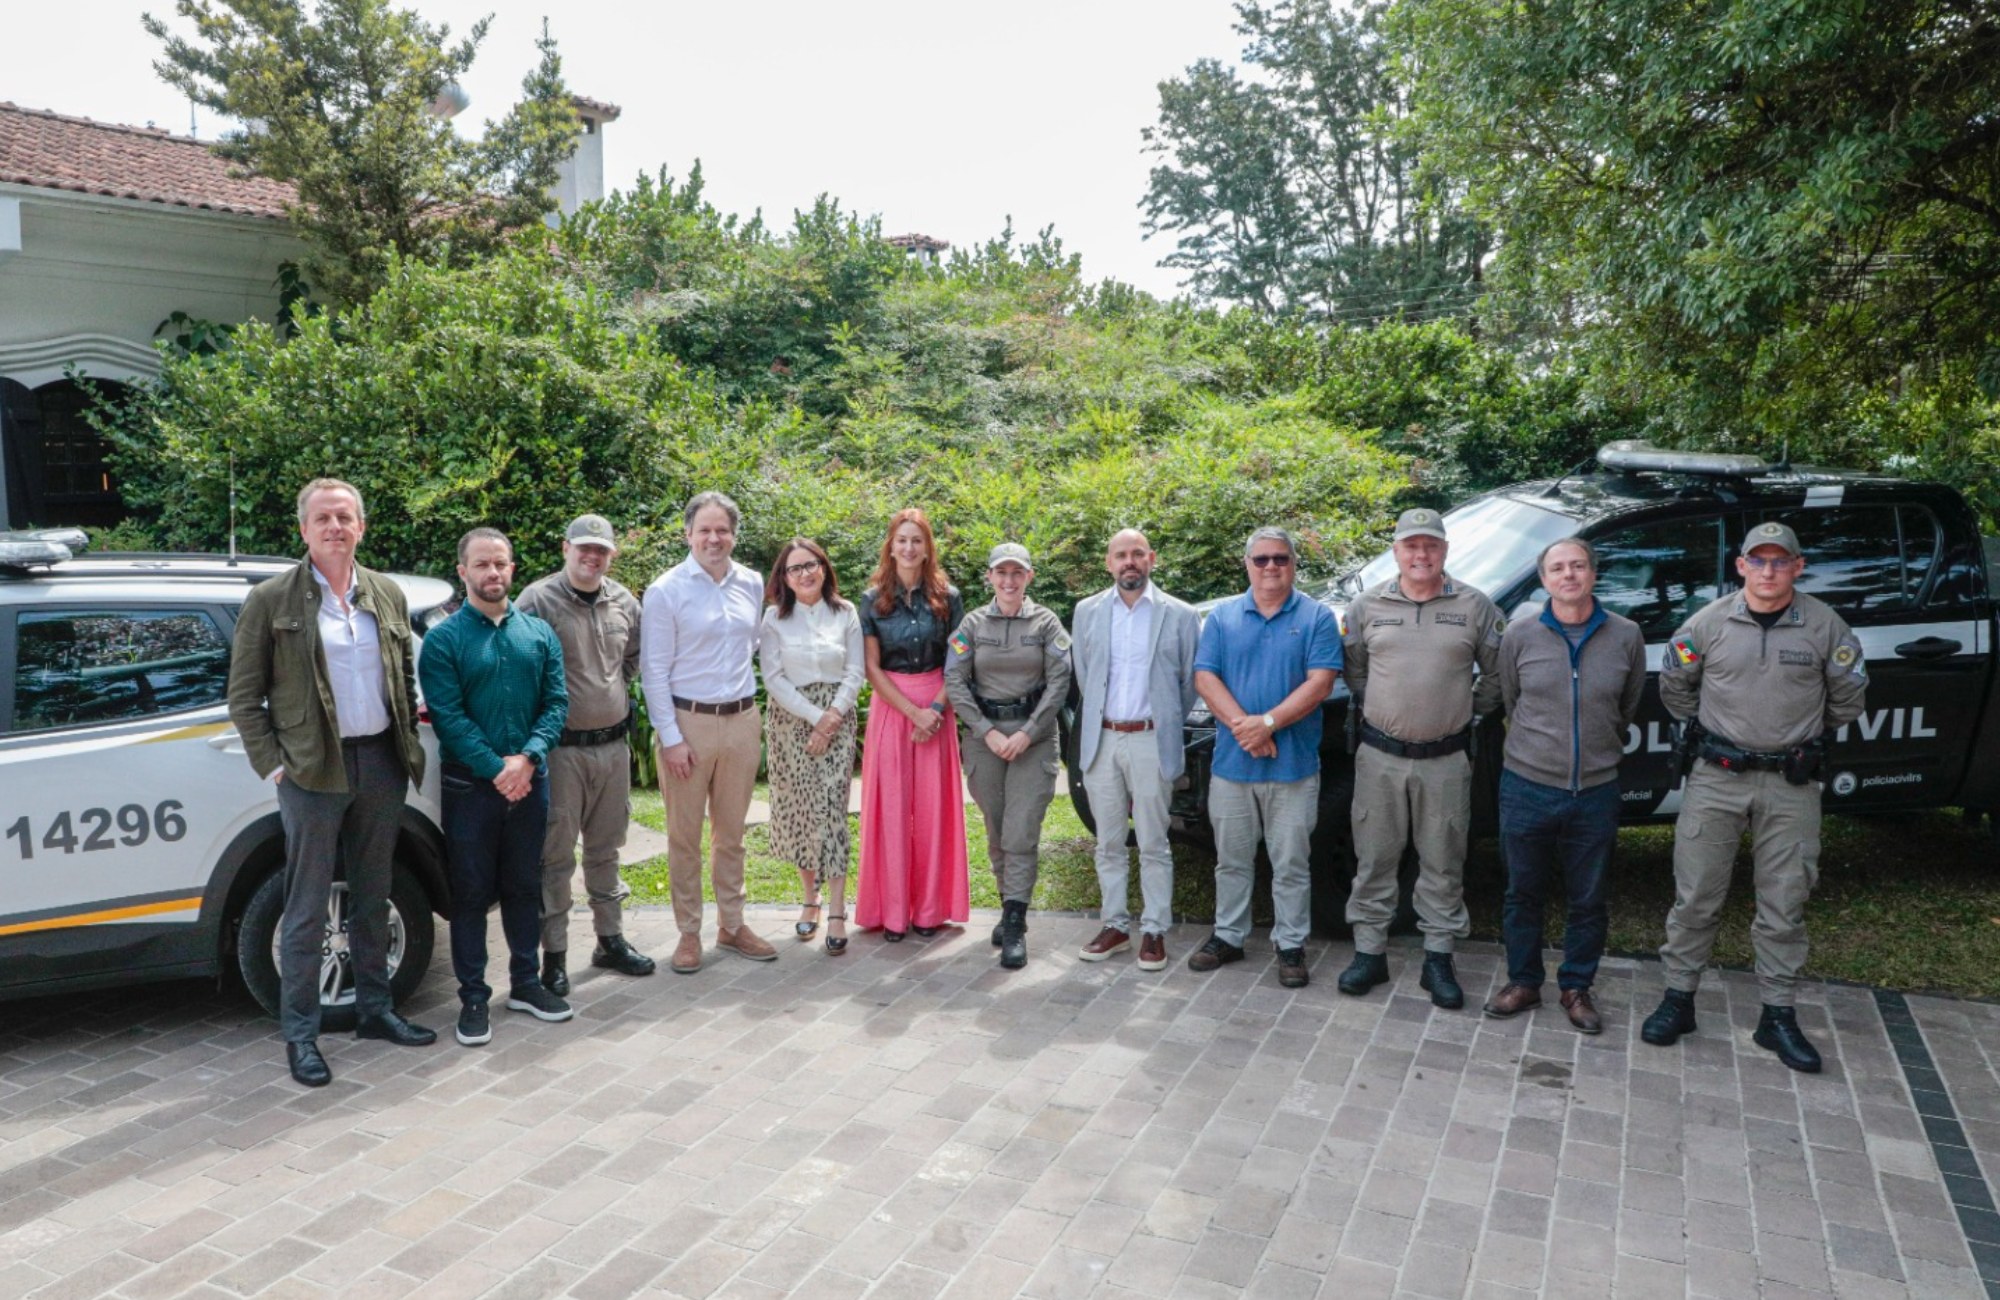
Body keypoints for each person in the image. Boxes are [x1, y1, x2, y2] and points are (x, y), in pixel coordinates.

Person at [226, 478, 436, 1088]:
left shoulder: (385, 593)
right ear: (304, 529)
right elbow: (244, 697)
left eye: (345, 517)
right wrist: (275, 765)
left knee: (373, 893)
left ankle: (375, 1010)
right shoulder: (271, 599)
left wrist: (405, 739)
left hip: (380, 763)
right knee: (306, 905)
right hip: (312, 770)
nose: (335, 527)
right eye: (322, 518)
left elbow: (402, 672)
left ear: (361, 526)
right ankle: (301, 1035)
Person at [1641, 521, 1868, 1072]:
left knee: (1785, 902)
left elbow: (1848, 699)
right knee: (1696, 894)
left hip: (1791, 783)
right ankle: (1678, 999)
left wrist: (1795, 736)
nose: (1769, 571)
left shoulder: (1825, 626)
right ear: (1741, 565)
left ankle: (1777, 1014)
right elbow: (1675, 686)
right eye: (1758, 560)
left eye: (1780, 560)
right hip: (1717, 777)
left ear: (1798, 566)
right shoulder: (1708, 623)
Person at [1338, 508, 1504, 1009]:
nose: (1421, 554)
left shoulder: (1474, 606)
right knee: (1374, 859)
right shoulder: (1367, 606)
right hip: (1380, 758)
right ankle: (1370, 952)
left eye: (1430, 545)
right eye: (1411, 545)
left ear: (1445, 550)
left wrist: (1464, 710)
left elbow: (1497, 674)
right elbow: (1356, 672)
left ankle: (1438, 957)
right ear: (1396, 551)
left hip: (1446, 760)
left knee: (1443, 861)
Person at [1482, 539, 1646, 1034]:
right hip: (1527, 786)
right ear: (1544, 579)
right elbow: (1511, 700)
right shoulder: (1520, 634)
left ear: (1594, 573)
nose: (1568, 575)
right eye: (1558, 568)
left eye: (1578, 566)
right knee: (1522, 892)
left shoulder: (1626, 635)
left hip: (1595, 790)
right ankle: (1524, 982)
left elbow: (1627, 706)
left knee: (1588, 898)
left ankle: (1576, 987)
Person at [419, 527, 573, 1048]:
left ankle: (526, 984)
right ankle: (473, 997)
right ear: (463, 571)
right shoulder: (444, 641)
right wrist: (497, 769)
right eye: (482, 564)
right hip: (471, 789)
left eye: (501, 563)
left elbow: (556, 703)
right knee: (470, 892)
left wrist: (527, 759)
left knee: (524, 886)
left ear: (512, 568)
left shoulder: (539, 634)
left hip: (531, 782)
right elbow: (448, 717)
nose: (493, 572)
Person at [1190, 527, 1341, 988]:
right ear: (1247, 565)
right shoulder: (1222, 618)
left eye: (1280, 558)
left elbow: (1321, 682)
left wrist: (1269, 723)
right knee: (1231, 860)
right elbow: (1205, 677)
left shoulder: (1317, 617)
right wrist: (1248, 729)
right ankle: (1228, 936)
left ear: (1293, 564)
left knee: (1291, 862)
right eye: (1261, 559)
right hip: (1233, 767)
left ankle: (1290, 944)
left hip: (1293, 767)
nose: (1271, 566)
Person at [514, 514, 655, 995]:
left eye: (601, 550)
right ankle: (553, 955)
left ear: (611, 555)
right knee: (555, 856)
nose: (592, 557)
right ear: (565, 548)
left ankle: (609, 940)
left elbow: (632, 658)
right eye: (584, 548)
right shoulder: (537, 600)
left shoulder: (624, 602)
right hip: (561, 752)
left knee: (606, 848)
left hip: (612, 748)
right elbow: (519, 666)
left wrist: (608, 691)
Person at [640, 492, 776, 975]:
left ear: (734, 535)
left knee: (731, 833)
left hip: (741, 720)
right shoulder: (666, 591)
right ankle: (689, 932)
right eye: (705, 530)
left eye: (722, 530)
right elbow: (653, 671)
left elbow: (754, 644)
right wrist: (671, 738)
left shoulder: (752, 583)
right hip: (688, 724)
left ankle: (732, 925)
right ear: (688, 534)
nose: (714, 539)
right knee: (685, 837)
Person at [1069, 528, 1200, 972]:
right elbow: (1085, 676)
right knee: (1108, 841)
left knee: (1154, 841)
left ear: (1151, 559)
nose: (1130, 561)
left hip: (1151, 740)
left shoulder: (1180, 615)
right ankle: (1115, 926)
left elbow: (1188, 684)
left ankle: (1155, 930)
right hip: (1103, 740)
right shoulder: (1087, 612)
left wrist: (1160, 721)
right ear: (1109, 563)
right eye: (1121, 555)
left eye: (1138, 553)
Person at [944, 543, 1074, 969]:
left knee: (1021, 831)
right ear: (990, 577)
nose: (1009, 580)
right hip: (985, 741)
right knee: (997, 829)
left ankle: (1015, 923)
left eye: (1017, 572)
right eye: (1001, 572)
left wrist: (1027, 732)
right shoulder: (972, 624)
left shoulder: (1046, 623)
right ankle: (1008, 904)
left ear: (1029, 577)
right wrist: (987, 732)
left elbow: (1059, 681)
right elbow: (954, 680)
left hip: (1033, 741)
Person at [855, 508, 970, 941]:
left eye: (916, 540)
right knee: (891, 810)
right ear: (890, 546)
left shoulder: (950, 598)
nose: (908, 547)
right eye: (901, 540)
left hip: (939, 704)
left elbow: (959, 658)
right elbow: (871, 668)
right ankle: (892, 911)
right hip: (893, 708)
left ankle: (929, 910)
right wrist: (913, 712)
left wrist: (935, 710)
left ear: (927, 548)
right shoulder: (871, 601)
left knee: (934, 811)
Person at [758, 537, 865, 956]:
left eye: (811, 564)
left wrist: (832, 716)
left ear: (824, 567)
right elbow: (773, 677)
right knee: (802, 811)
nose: (804, 573)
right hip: (791, 719)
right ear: (784, 578)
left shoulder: (845, 612)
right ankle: (810, 898)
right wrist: (813, 717)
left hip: (838, 715)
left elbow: (855, 670)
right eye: (795, 568)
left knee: (833, 811)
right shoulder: (774, 619)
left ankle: (837, 908)